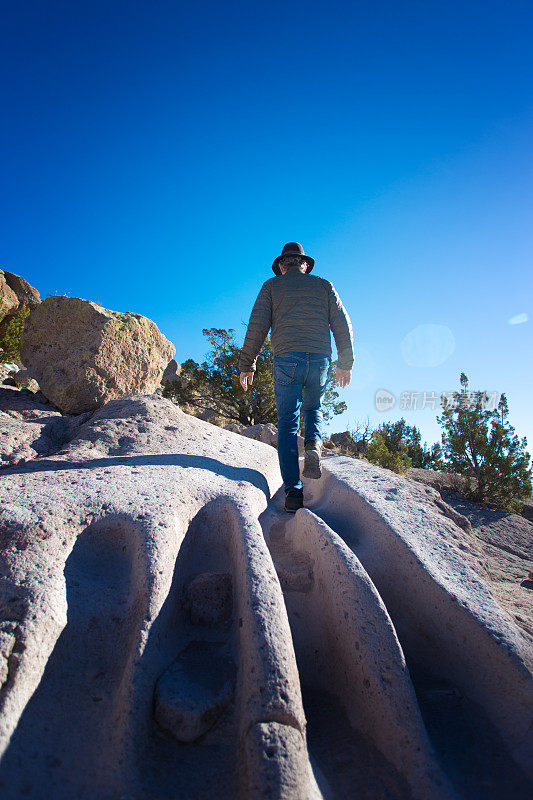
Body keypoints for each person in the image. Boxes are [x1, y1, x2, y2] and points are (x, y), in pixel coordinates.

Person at [238, 242, 354, 513]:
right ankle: (313, 442)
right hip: (320, 360)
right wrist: (345, 363)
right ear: (303, 264)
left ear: (281, 265)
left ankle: (293, 492)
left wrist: (247, 364)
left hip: (287, 359)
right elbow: (342, 324)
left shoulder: (271, 286)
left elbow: (257, 325)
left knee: (288, 424)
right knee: (314, 408)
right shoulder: (324, 285)